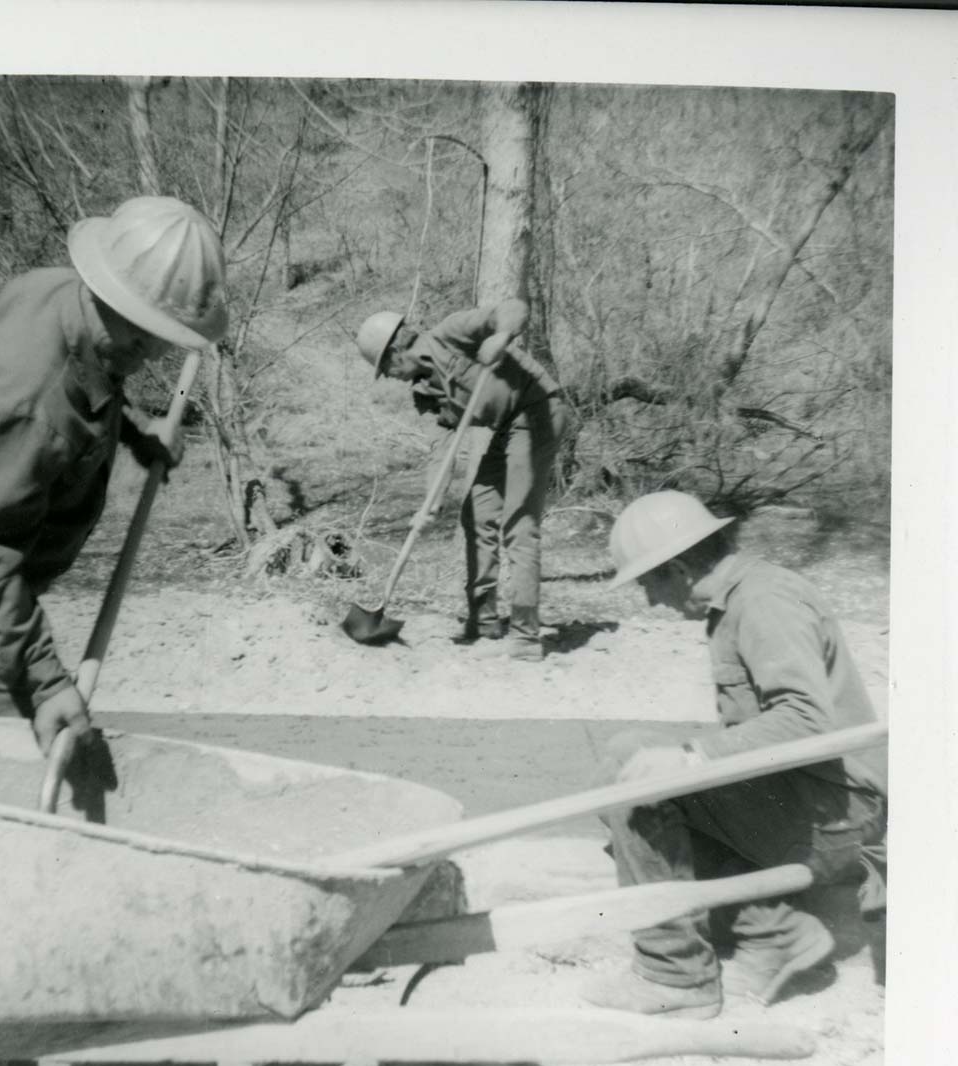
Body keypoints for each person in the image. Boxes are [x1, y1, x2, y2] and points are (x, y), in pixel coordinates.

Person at [0, 196, 228, 755]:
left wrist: (137, 432)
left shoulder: (58, 292)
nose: (150, 356)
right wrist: (45, 682)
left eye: (163, 338)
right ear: (106, 289)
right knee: (5, 772)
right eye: (140, 337)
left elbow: (86, 382)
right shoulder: (21, 402)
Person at [581, 491, 887, 1019]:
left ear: (676, 568)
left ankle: (675, 976)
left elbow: (805, 719)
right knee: (639, 764)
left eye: (648, 583)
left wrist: (692, 757)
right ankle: (775, 933)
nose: (652, 601)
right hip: (811, 803)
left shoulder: (765, 601)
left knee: (628, 771)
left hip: (835, 815)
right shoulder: (744, 597)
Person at [356, 300, 570, 661]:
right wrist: (431, 503)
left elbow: (514, 308)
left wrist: (501, 335)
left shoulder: (451, 333)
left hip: (539, 412)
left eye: (385, 368)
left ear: (396, 352)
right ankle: (484, 622)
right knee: (477, 515)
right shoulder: (425, 392)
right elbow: (440, 449)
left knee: (519, 525)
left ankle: (525, 636)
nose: (390, 377)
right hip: (506, 428)